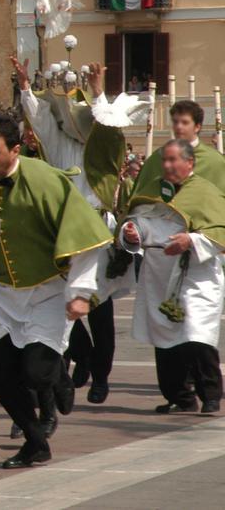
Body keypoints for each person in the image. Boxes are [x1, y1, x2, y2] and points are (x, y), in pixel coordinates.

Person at [0, 115, 113, 469]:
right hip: (0, 294)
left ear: (15, 150)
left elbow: (83, 236)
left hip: (47, 292)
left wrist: (81, 292)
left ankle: (58, 377)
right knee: (1, 376)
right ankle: (35, 442)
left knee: (36, 371)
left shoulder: (46, 181)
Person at [14, 58, 132, 404]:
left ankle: (101, 378)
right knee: (63, 302)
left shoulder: (104, 141)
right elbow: (39, 119)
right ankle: (83, 357)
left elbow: (111, 125)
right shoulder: (60, 142)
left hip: (98, 229)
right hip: (65, 231)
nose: (69, 119)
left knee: (100, 309)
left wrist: (98, 92)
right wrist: (24, 86)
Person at [120, 140, 224, 413]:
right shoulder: (153, 189)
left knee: (195, 336)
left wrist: (191, 240)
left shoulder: (205, 192)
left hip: (195, 277)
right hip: (157, 273)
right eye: (164, 160)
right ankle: (179, 397)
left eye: (173, 160)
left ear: (189, 163)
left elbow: (219, 232)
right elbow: (140, 221)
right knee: (165, 340)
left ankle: (210, 394)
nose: (167, 165)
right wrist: (132, 232)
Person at [127, 101, 225, 202]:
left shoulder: (215, 162)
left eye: (185, 122)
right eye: (175, 122)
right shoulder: (157, 158)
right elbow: (139, 198)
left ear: (197, 127)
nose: (179, 127)